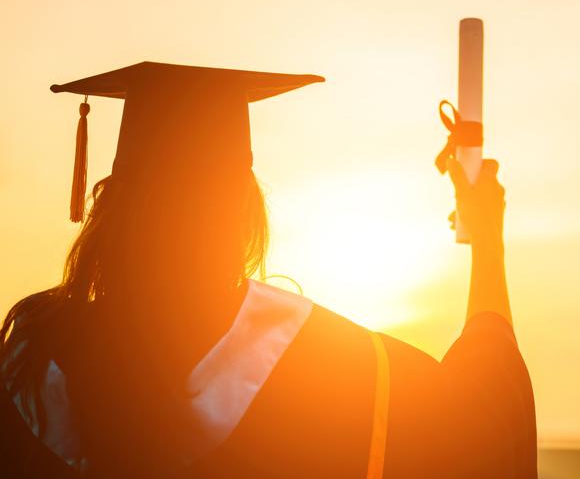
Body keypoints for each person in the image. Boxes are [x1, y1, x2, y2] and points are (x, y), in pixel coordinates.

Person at [0, 62, 537, 478]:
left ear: (109, 207)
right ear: (243, 211)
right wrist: (487, 235)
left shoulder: (28, 369)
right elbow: (484, 418)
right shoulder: (339, 376)